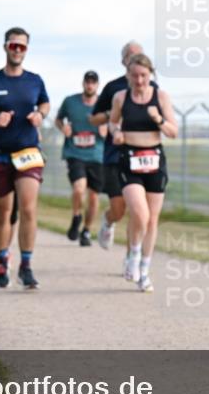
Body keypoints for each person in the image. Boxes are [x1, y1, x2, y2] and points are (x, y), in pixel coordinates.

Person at [0, 27, 50, 289]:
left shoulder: (35, 80)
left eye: (22, 46)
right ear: (5, 47)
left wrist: (40, 115)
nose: (17, 50)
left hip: (28, 153)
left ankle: (26, 266)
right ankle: (2, 259)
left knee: (28, 208)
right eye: (13, 45)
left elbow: (45, 103)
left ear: (27, 50)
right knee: (3, 212)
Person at [109, 53, 177, 292]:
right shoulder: (120, 97)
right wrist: (116, 132)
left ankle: (145, 272)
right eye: (135, 76)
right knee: (140, 213)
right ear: (128, 75)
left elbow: (173, 132)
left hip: (155, 160)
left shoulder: (161, 97)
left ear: (151, 74)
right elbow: (112, 122)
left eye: (144, 76)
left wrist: (158, 119)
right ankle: (133, 255)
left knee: (152, 219)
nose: (139, 80)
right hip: (130, 159)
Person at [91, 41, 158, 281]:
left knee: (140, 212)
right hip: (115, 156)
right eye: (130, 55)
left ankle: (132, 258)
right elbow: (94, 119)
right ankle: (109, 220)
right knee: (120, 209)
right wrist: (113, 114)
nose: (135, 58)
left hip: (145, 158)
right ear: (123, 62)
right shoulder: (113, 89)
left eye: (139, 54)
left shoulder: (153, 88)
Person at [55, 70, 106, 246]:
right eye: (87, 82)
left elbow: (115, 122)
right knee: (79, 188)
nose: (90, 85)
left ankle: (86, 231)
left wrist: (107, 129)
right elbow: (58, 119)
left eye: (93, 82)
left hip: (97, 155)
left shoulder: (104, 103)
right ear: (83, 83)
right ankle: (76, 216)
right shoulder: (70, 102)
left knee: (93, 197)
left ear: (97, 85)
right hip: (75, 153)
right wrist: (63, 128)